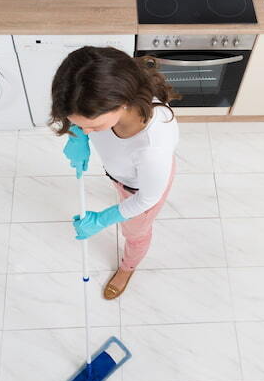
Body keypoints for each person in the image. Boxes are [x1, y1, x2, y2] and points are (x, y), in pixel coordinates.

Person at [49, 46, 180, 300]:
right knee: (119, 191)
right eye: (79, 124)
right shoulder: (102, 93)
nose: (86, 131)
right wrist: (78, 137)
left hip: (140, 190)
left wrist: (103, 219)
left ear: (121, 103)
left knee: (135, 232)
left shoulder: (153, 148)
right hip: (122, 173)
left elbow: (146, 199)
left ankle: (127, 267)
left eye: (93, 126)